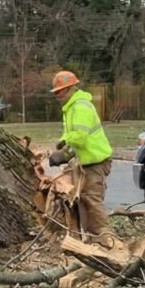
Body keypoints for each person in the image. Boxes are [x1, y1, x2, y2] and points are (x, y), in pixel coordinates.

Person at [47, 70, 115, 247]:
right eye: (55, 92)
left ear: (70, 88)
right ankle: (90, 238)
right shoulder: (70, 108)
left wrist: (63, 146)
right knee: (80, 199)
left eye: (59, 91)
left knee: (91, 198)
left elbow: (80, 137)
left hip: (96, 160)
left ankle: (107, 239)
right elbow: (75, 141)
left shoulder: (80, 107)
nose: (57, 95)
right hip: (86, 160)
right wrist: (66, 153)